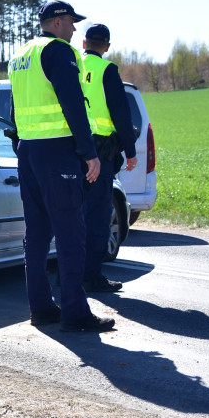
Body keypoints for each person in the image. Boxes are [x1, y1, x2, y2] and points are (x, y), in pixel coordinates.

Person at [8, 0, 113, 333]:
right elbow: (73, 104)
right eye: (71, 21)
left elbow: (14, 111)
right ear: (57, 22)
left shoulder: (20, 55)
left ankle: (41, 308)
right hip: (57, 152)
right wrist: (89, 152)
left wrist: (22, 147)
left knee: (37, 234)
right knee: (71, 233)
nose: (74, 28)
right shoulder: (58, 51)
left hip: (29, 151)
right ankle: (75, 313)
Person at [79, 24, 138, 292]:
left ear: (84, 43)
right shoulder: (107, 70)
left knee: (74, 217)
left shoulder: (72, 65)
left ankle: (69, 275)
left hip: (72, 151)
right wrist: (130, 151)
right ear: (107, 46)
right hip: (100, 155)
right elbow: (121, 114)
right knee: (98, 218)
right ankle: (91, 276)